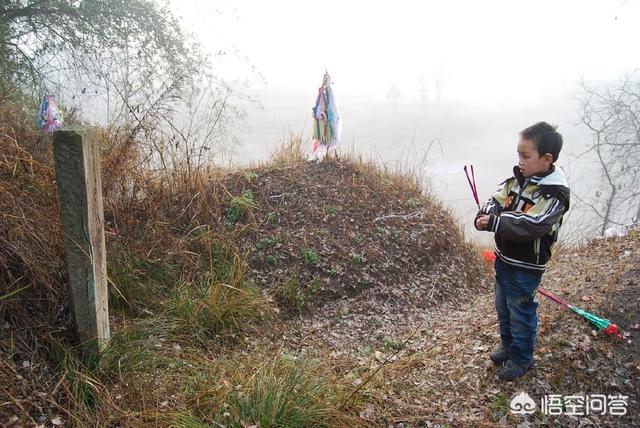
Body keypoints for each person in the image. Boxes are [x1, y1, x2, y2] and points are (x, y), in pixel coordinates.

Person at [475, 122, 570, 380]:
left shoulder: (554, 195)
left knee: (521, 312)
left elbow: (535, 225)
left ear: (546, 159)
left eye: (526, 156)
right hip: (503, 260)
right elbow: (496, 198)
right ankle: (508, 346)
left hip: (526, 268)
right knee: (503, 308)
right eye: (519, 154)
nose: (520, 161)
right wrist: (486, 214)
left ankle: (521, 358)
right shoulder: (517, 180)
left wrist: (496, 223)